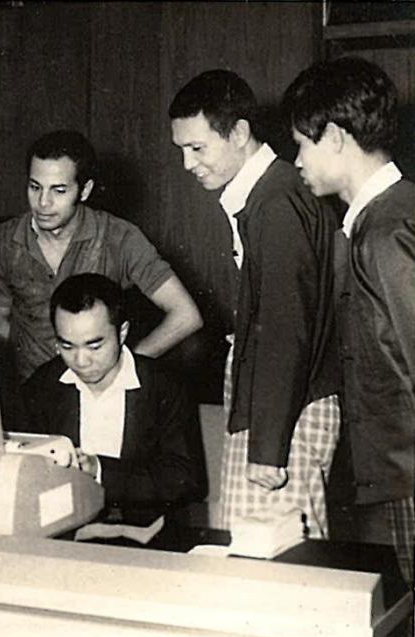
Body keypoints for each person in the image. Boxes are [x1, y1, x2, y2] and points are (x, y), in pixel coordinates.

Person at [283, 56, 413, 637]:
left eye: (302, 143)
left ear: (335, 137)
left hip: (409, 477)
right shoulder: (377, 222)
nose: (297, 160)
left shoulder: (388, 229)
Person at [169, 70, 341, 553]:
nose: (187, 163)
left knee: (276, 556)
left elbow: (287, 330)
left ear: (240, 134)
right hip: (277, 404)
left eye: (198, 148)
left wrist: (268, 447)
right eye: (182, 149)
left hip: (287, 411)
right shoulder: (266, 195)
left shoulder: (276, 201)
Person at [0, 129, 202, 386]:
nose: (43, 202)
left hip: (103, 390)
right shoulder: (3, 241)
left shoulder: (120, 238)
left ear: (84, 190)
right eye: (35, 187)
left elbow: (186, 315)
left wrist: (124, 365)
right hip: (33, 392)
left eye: (59, 190)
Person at [22, 274, 206, 526]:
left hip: (147, 538)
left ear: (122, 333)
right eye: (67, 346)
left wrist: (100, 471)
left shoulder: (163, 386)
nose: (81, 361)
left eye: (95, 346)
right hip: (65, 535)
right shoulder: (42, 386)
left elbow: (185, 479)